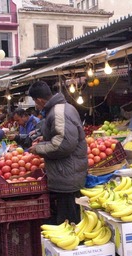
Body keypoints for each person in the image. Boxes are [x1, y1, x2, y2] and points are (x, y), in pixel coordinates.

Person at [27, 80, 88, 224]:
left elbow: (64, 145)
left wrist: (38, 149)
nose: (36, 105)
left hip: (67, 175)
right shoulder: (64, 107)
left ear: (40, 100)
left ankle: (73, 244)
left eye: (35, 101)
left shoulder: (58, 112)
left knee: (69, 221)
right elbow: (63, 135)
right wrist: (46, 137)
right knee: (69, 216)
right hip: (67, 172)